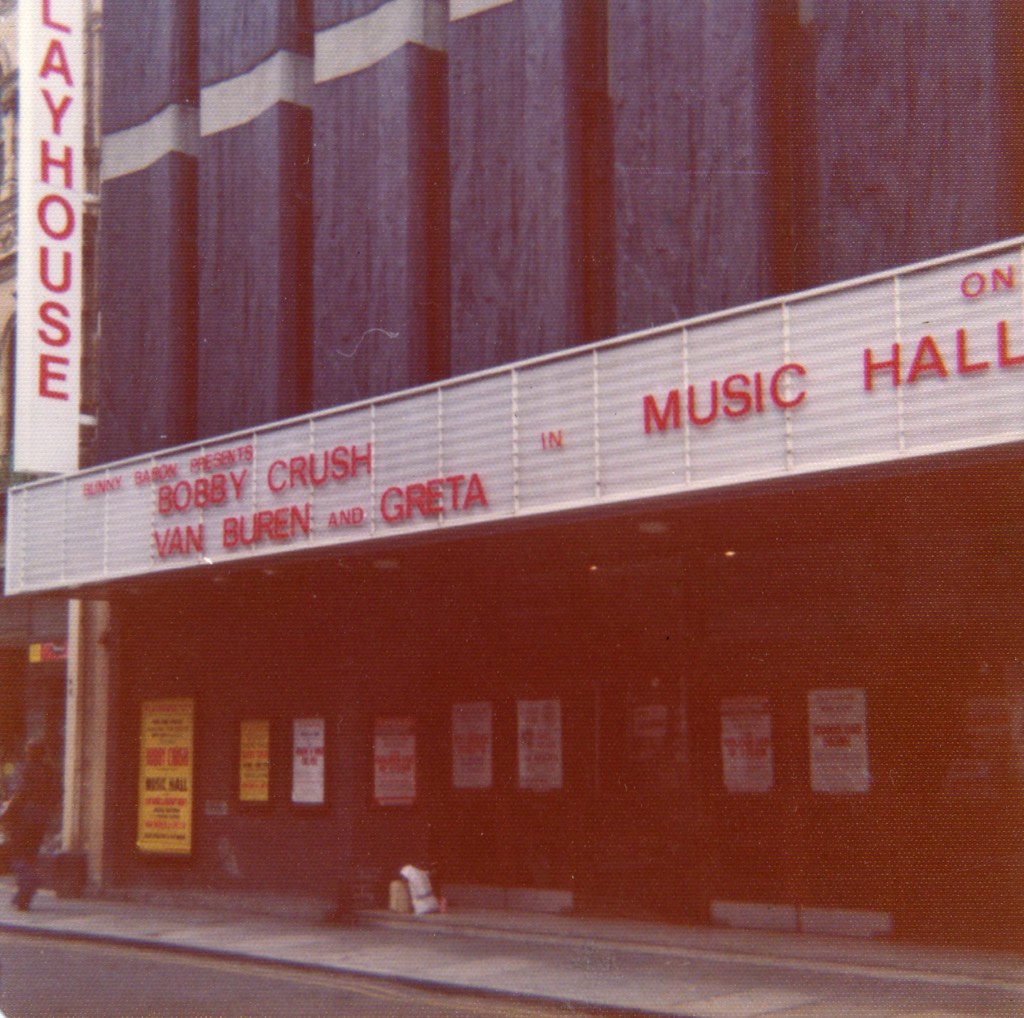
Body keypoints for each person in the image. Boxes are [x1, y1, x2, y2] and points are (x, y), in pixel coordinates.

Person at [4, 741, 59, 911]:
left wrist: (7, 811)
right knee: (30, 854)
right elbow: (56, 794)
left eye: (27, 750)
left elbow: (21, 792)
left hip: (25, 815)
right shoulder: (50, 771)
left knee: (18, 855)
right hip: (42, 817)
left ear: (30, 752)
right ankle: (22, 898)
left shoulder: (26, 769)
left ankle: (30, 883)